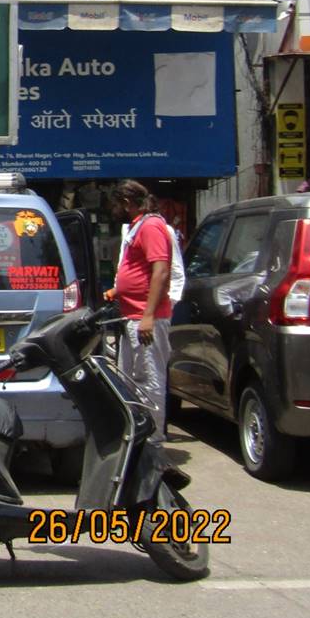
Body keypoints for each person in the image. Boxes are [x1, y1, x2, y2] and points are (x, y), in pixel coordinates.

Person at [105, 179, 173, 443]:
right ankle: (139, 438)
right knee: (132, 381)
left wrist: (148, 315)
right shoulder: (137, 227)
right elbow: (138, 271)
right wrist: (116, 291)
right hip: (132, 316)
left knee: (150, 381)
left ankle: (153, 442)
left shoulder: (152, 226)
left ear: (126, 202)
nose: (113, 211)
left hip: (146, 320)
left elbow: (161, 270)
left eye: (115, 205)